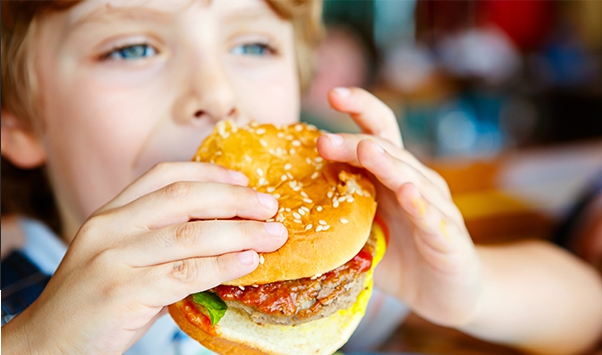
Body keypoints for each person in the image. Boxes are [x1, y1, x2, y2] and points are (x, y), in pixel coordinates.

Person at [1, 1, 601, 355]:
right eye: (133, 49)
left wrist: (470, 292)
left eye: (255, 46)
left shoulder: (310, 274)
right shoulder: (16, 303)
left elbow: (588, 312)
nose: (217, 93)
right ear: (20, 120)